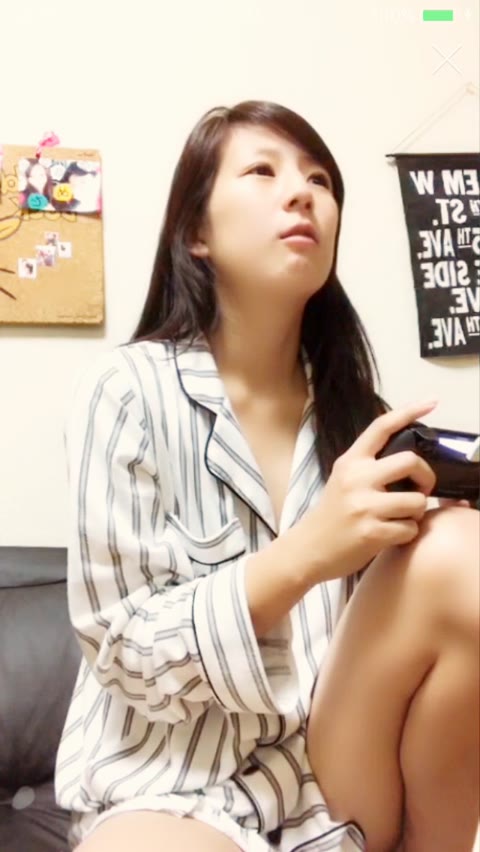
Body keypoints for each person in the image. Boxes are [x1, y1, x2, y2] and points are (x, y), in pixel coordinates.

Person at [54, 101, 479, 852]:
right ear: (197, 232)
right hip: (168, 788)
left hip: (328, 779)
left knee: (460, 549)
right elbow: (124, 650)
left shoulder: (361, 423)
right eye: (262, 171)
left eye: (320, 180)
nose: (301, 194)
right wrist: (306, 553)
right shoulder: (126, 392)